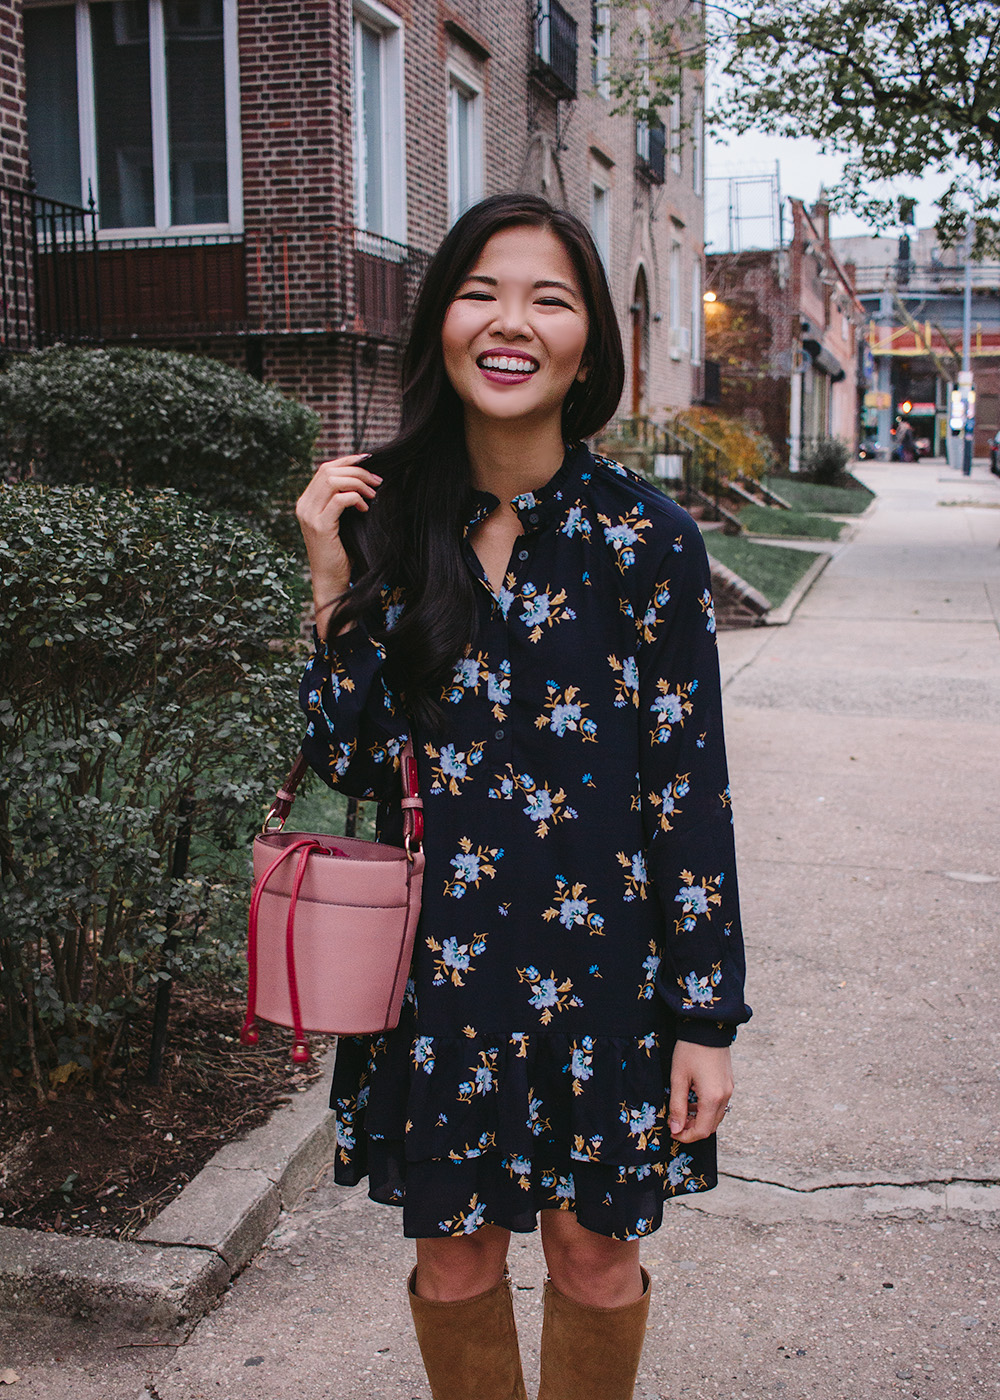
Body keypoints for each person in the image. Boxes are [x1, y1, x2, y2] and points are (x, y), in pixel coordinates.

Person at [295, 193, 751, 1400]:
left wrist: (706, 1014)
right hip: (437, 977)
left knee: (594, 1257)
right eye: (481, 292)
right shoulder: (388, 523)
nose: (511, 323)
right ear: (442, 323)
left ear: (587, 344)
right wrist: (328, 581)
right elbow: (350, 763)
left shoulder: (645, 539)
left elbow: (689, 796)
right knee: (452, 1265)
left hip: (611, 975)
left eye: (547, 299)